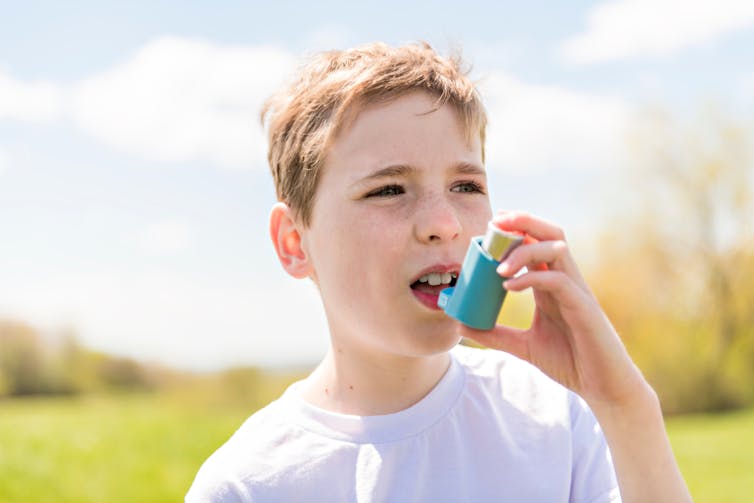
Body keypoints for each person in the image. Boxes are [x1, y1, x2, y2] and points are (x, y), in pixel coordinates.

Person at [186, 42, 691, 502]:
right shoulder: (247, 485)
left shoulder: (555, 418)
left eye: (466, 186)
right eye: (388, 190)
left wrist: (625, 407)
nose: (443, 224)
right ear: (295, 242)